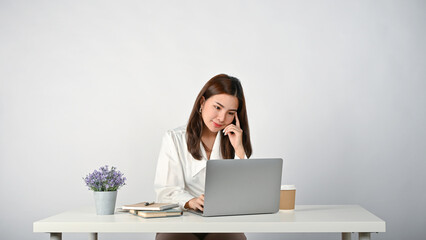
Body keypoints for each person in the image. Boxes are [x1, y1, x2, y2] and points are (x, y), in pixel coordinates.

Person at [154, 74, 252, 240]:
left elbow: (247, 194)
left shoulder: (234, 141)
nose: (222, 118)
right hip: (181, 221)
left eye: (230, 113)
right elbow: (166, 190)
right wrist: (190, 201)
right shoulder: (175, 138)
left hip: (222, 223)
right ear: (202, 102)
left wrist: (240, 150)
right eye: (217, 107)